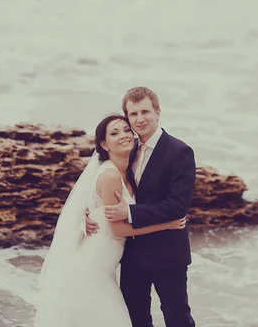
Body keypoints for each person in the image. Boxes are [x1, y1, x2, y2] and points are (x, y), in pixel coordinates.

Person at [34, 114, 186, 327]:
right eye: (115, 133)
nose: (123, 135)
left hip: (105, 268)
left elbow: (93, 205)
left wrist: (86, 215)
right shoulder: (110, 175)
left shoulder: (128, 169)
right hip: (92, 269)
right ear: (104, 144)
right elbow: (119, 230)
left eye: (126, 130)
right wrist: (167, 224)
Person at [85, 87, 196, 327]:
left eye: (145, 111)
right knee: (136, 320)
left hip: (168, 253)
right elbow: (97, 186)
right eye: (133, 114)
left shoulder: (180, 152)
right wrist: (87, 215)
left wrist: (130, 212)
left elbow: (177, 206)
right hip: (132, 254)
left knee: (178, 319)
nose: (139, 119)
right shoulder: (126, 147)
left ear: (157, 112)